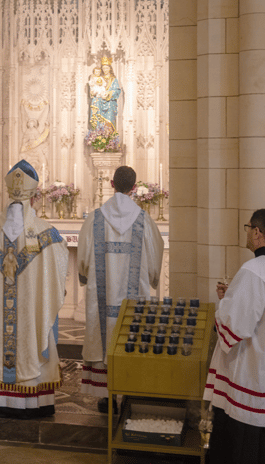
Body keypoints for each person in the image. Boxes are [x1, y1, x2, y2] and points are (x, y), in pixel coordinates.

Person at [0, 160, 69, 418]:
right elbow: (60, 271)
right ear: (33, 195)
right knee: (33, 338)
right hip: (30, 315)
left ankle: (2, 401)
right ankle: (33, 401)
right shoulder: (46, 234)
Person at [77, 166, 163, 413]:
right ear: (134, 188)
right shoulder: (144, 220)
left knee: (103, 338)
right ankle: (129, 393)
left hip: (101, 302)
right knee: (131, 337)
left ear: (112, 184)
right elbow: (155, 259)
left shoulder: (95, 218)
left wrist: (85, 277)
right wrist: (153, 280)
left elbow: (82, 259)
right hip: (133, 304)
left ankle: (106, 397)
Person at [204, 209, 265, 464]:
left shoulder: (254, 270)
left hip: (252, 375)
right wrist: (233, 297)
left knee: (243, 448)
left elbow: (234, 328)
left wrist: (223, 308)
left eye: (248, 227)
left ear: (256, 232)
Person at [89, 56, 121, 133]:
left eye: (106, 68)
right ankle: (98, 136)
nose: (105, 70)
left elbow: (117, 91)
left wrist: (108, 94)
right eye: (103, 68)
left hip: (110, 104)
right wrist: (93, 92)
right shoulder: (99, 78)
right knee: (98, 120)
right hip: (99, 103)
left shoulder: (113, 79)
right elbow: (93, 88)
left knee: (109, 122)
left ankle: (110, 140)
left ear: (110, 68)